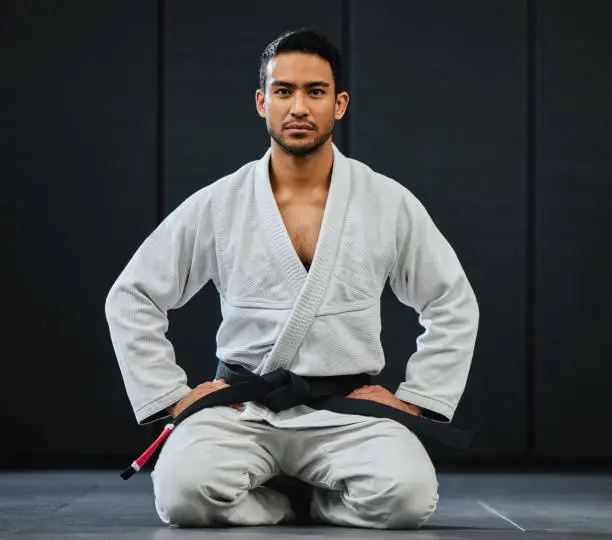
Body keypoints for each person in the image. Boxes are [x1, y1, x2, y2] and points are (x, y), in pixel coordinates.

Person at [105, 28, 479, 530]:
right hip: (241, 409)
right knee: (182, 495)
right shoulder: (221, 202)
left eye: (315, 91)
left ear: (339, 104)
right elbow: (132, 296)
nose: (298, 107)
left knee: (407, 499)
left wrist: (415, 396)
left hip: (345, 411)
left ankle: (312, 503)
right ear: (262, 102)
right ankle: (284, 505)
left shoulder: (386, 201)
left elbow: (452, 301)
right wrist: (171, 394)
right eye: (283, 91)